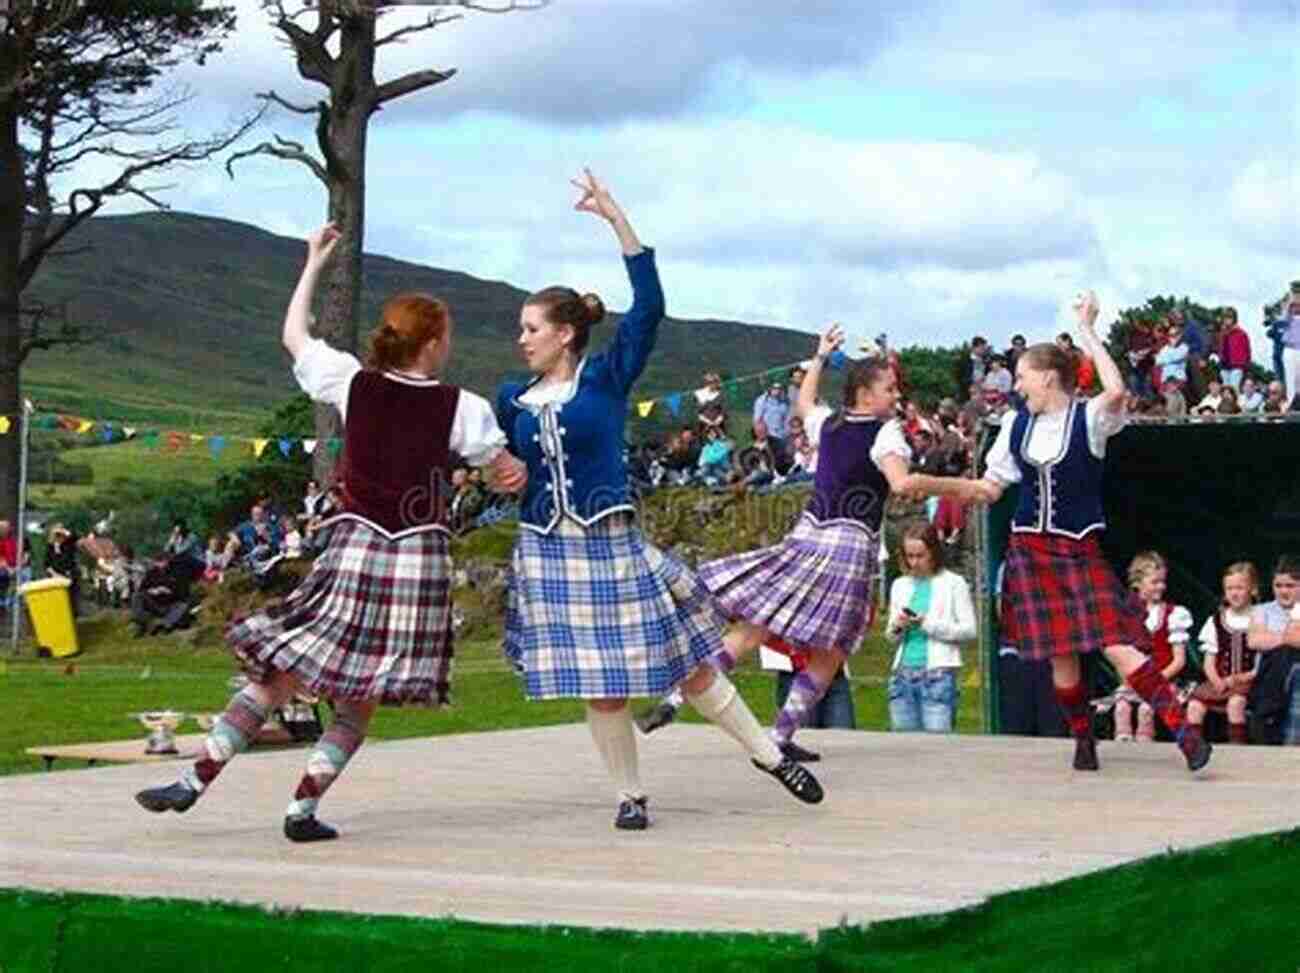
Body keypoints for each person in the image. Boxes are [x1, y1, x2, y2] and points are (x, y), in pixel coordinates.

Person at [136, 223, 525, 842]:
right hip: (417, 558)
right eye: (445, 336)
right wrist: (517, 465)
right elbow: (505, 474)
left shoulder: (351, 382)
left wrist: (313, 263)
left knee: (281, 672)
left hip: (356, 549)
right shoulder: (464, 407)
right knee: (358, 697)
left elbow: (294, 335)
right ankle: (300, 810)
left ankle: (196, 779)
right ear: (430, 343)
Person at [497, 172, 821, 832]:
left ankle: (767, 753)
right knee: (602, 685)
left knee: (691, 665)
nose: (521, 338)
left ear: (564, 333)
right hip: (549, 550)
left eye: (531, 327)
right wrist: (500, 471)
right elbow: (498, 459)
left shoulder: (608, 380)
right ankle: (629, 795)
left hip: (611, 546)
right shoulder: (512, 399)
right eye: (520, 328)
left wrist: (617, 217)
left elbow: (648, 306)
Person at [638, 323, 988, 760]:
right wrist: (964, 488)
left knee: (753, 624)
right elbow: (902, 483)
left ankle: (674, 700)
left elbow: (804, 401)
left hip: (806, 535)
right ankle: (779, 738)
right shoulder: (886, 433)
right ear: (865, 392)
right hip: (848, 547)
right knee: (831, 650)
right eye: (890, 389)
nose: (896, 397)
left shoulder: (830, 423)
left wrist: (820, 356)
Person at [977, 291, 1211, 772]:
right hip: (1030, 549)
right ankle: (1083, 740)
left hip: (1077, 548)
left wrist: (1086, 330)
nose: (1017, 386)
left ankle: (1185, 735)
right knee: (1061, 656)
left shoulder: (1089, 419)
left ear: (1047, 376)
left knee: (1118, 644)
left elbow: (1117, 390)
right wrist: (924, 484)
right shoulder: (1014, 426)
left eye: (1022, 376)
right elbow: (989, 487)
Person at [885, 522, 974, 733]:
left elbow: (969, 630)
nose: (914, 562)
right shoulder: (900, 585)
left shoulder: (954, 583)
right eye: (909, 556)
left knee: (936, 748)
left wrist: (927, 624)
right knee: (902, 749)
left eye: (920, 555)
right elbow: (890, 636)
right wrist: (898, 625)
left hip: (938, 676)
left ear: (933, 552)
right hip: (902, 675)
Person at [1112, 552, 1191, 742]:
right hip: (1135, 682)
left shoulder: (1174, 614)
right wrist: (1128, 681)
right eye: (1155, 582)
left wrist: (1155, 681)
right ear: (1137, 583)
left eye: (1162, 582)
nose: (1161, 586)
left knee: (1146, 709)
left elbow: (1179, 660)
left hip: (1165, 680)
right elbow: (1120, 656)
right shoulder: (1127, 615)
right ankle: (1123, 745)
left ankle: (1146, 746)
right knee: (1122, 705)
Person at [1187, 562, 1260, 744]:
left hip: (1250, 682)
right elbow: (1209, 661)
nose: (1234, 593)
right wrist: (1216, 681)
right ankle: (1194, 749)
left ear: (1252, 589)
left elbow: (1263, 661)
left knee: (1236, 704)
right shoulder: (1216, 621)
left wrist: (1243, 677)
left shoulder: (1260, 619)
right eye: (1229, 588)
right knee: (1195, 706)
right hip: (1220, 681)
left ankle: (1237, 749)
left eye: (1239, 588)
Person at [1246, 556, 1300, 745]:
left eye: (1290, 585)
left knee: (1288, 657)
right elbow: (1254, 640)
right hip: (1267, 677)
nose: (1283, 591)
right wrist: (1288, 637)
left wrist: (1274, 636)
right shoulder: (1262, 610)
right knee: (1283, 652)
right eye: (1278, 585)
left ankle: (1268, 715)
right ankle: (1267, 714)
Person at [1216, 307, 1251, 391]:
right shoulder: (1222, 333)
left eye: (1229, 317)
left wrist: (1246, 366)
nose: (1227, 320)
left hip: (1237, 366)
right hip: (1224, 366)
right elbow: (1220, 348)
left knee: (1234, 389)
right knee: (1225, 390)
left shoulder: (1241, 333)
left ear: (1234, 319)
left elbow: (1247, 351)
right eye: (1225, 317)